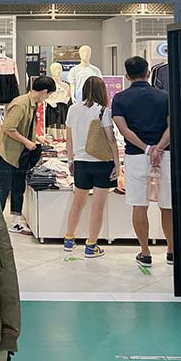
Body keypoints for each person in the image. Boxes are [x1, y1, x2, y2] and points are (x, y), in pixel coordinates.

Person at [112, 56, 173, 268]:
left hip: (136, 156)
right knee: (167, 205)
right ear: (148, 73)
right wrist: (159, 147)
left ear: (127, 76)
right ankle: (171, 251)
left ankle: (145, 253)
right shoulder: (164, 96)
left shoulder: (120, 99)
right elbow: (172, 126)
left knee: (139, 205)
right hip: (165, 155)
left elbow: (123, 130)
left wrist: (146, 148)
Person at [64, 76, 120, 258]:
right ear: (102, 91)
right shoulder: (103, 111)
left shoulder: (73, 109)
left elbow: (69, 137)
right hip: (102, 163)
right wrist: (117, 163)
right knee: (97, 206)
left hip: (80, 162)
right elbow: (111, 139)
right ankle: (91, 245)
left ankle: (69, 239)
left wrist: (70, 160)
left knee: (77, 203)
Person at [0, 75, 55, 235]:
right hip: (8, 154)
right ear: (44, 92)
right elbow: (9, 128)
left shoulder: (32, 105)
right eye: (48, 94)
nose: (47, 98)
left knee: (18, 186)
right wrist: (27, 142)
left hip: (20, 154)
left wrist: (36, 138)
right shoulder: (21, 104)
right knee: (3, 188)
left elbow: (25, 127)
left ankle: (16, 221)